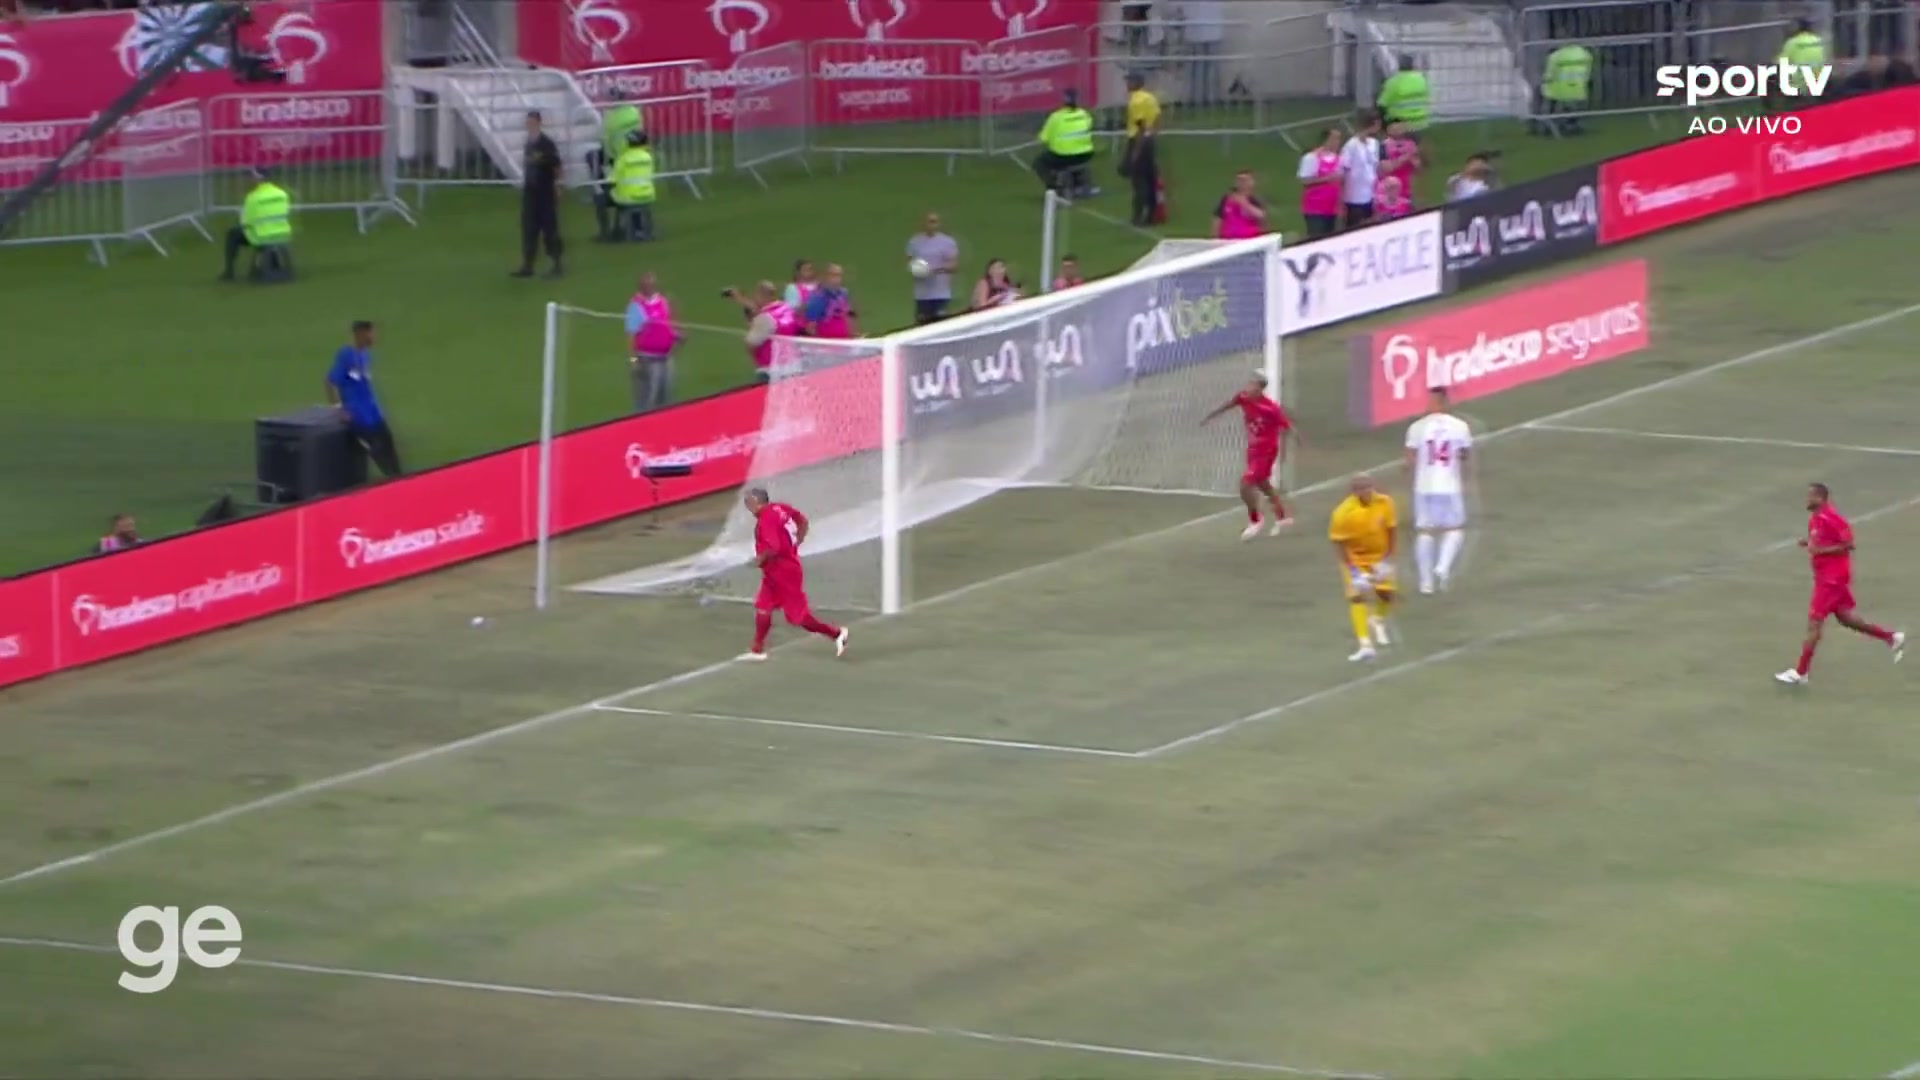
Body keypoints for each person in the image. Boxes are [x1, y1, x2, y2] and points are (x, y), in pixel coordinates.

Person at [1775, 483, 1904, 685]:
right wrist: (1808, 544)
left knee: (1814, 624)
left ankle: (1800, 672)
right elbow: (1821, 543)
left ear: (1820, 498)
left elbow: (1848, 544)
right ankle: (1891, 637)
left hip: (1831, 580)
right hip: (1826, 578)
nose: (1806, 500)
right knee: (1846, 618)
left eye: (1810, 496)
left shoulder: (1832, 518)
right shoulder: (1815, 519)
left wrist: (1821, 551)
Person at [738, 487, 850, 662]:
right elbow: (802, 521)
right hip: (774, 572)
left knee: (798, 618)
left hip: (784, 573)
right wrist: (797, 542)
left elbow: (774, 547)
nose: (747, 507)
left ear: (757, 502)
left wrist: (760, 559)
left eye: (749, 503)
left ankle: (836, 634)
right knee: (763, 607)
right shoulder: (780, 508)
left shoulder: (766, 519)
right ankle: (757, 650)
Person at [1202, 372, 1297, 540]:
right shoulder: (1243, 397)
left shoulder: (1270, 409)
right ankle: (1282, 517)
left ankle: (1255, 520)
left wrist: (1286, 451)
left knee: (1245, 485)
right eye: (1248, 384)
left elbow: (1286, 427)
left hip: (1266, 452)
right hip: (1253, 449)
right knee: (1263, 484)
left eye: (1252, 385)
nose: (1247, 387)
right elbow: (1230, 404)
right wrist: (1211, 415)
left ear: (1260, 388)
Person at [1403, 387, 1470, 594]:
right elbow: (1464, 455)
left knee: (1425, 531)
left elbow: (1410, 459)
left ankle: (1426, 583)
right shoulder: (1460, 426)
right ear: (1446, 402)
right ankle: (1442, 566)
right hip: (1449, 485)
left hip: (1424, 486)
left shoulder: (1416, 427)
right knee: (1455, 529)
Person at [1329, 475, 1397, 663]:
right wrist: (1353, 571)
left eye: (1369, 487)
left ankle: (1377, 619)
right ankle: (1365, 644)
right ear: (1354, 492)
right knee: (1357, 597)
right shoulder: (1343, 513)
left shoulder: (1385, 503)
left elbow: (1391, 530)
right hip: (1355, 559)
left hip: (1379, 557)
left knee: (1386, 595)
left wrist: (1388, 559)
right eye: (1362, 488)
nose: (1367, 491)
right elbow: (1339, 543)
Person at [326, 320, 401, 478]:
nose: (374, 337)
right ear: (360, 334)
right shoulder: (346, 356)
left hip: (373, 412)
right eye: (370, 333)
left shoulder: (366, 355)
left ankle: (400, 479)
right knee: (378, 452)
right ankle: (393, 481)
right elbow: (330, 382)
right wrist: (339, 409)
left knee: (389, 445)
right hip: (359, 416)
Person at [514, 111, 563, 278]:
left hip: (545, 191)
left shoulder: (547, 144)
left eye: (532, 122)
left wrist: (558, 186)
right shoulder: (528, 144)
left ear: (538, 123)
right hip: (530, 191)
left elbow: (557, 166)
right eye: (528, 122)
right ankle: (528, 265)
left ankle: (557, 263)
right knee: (529, 228)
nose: (529, 125)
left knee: (549, 228)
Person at [220, 166, 291, 281]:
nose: (250, 179)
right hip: (282, 234)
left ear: (258, 179)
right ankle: (273, 262)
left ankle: (229, 271)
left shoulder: (253, 197)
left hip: (261, 236)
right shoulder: (282, 194)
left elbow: (245, 221)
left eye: (251, 177)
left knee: (232, 234)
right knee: (266, 232)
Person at [624, 272, 679, 413]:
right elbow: (631, 335)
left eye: (652, 285)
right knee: (647, 403)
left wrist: (675, 335)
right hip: (647, 361)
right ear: (641, 287)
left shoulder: (662, 301)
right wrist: (633, 361)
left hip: (665, 359)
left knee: (665, 400)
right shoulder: (636, 306)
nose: (650, 287)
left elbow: (667, 324)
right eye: (647, 285)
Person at [727, 281, 798, 383]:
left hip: (771, 370)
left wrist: (755, 359)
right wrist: (740, 299)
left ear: (763, 296)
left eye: (756, 295)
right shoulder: (787, 308)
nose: (754, 299)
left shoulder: (765, 318)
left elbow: (751, 343)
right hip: (793, 365)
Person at [1033, 88, 1096, 197]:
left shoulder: (1056, 117)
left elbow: (1043, 138)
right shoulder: (1085, 114)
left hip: (1062, 156)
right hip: (1086, 154)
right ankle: (1078, 184)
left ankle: (1054, 187)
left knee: (1039, 163)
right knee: (1073, 158)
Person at [1121, 71, 1161, 227]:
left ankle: (1138, 216)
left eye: (1129, 81)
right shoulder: (1150, 98)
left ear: (1136, 82)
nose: (1127, 84)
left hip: (1139, 141)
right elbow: (1157, 118)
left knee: (1139, 181)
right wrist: (1152, 135)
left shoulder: (1135, 101)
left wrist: (1136, 151)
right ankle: (1152, 213)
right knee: (1150, 178)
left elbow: (1140, 127)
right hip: (1150, 140)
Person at [905, 212, 959, 324]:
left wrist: (935, 270)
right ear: (923, 223)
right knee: (922, 325)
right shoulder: (914, 242)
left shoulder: (947, 242)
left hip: (941, 294)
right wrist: (918, 270)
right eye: (929, 221)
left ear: (939, 224)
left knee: (941, 325)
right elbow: (909, 262)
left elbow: (954, 266)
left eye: (934, 222)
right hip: (922, 295)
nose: (931, 225)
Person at [606, 129, 657, 242]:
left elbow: (612, 179)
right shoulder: (648, 157)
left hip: (628, 197)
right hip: (648, 195)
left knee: (607, 197)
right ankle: (640, 230)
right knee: (634, 200)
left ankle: (611, 232)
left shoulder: (623, 158)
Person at [1535, 41, 1592, 136]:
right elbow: (1587, 74)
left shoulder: (1555, 57)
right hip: (1578, 90)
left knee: (1543, 97)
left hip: (1558, 91)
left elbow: (1548, 76)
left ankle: (1548, 127)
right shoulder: (1585, 54)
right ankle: (1569, 125)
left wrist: (1543, 81)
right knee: (1569, 106)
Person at [1296, 127, 1344, 238]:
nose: (1338, 142)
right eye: (1335, 139)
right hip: (1315, 209)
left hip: (1332, 208)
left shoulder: (1338, 159)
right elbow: (1305, 180)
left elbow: (1340, 183)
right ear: (1327, 140)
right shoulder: (1312, 157)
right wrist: (1327, 179)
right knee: (1317, 238)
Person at [1340, 109, 1383, 229]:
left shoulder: (1374, 143)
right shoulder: (1351, 145)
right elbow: (1343, 169)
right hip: (1354, 197)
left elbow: (1375, 165)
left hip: (1371, 194)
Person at [1777, 18, 1828, 108]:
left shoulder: (1792, 43)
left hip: (1798, 83)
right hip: (1819, 80)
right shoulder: (1818, 41)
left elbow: (1781, 62)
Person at [802, 263, 859, 338]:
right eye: (833, 275)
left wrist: (853, 334)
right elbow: (810, 326)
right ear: (826, 276)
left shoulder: (843, 293)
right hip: (825, 341)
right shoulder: (819, 296)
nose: (836, 279)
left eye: (839, 275)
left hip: (843, 341)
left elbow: (848, 316)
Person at [1375, 56, 1430, 130]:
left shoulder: (1394, 82)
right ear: (1412, 65)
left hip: (1401, 122)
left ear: (1399, 66)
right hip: (1421, 121)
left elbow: (1382, 103)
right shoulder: (1422, 79)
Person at [1214, 169, 1267, 239]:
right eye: (1239, 180)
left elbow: (1261, 217)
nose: (1242, 183)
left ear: (1251, 182)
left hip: (1249, 240)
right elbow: (1218, 219)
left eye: (1245, 180)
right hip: (1228, 239)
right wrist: (1216, 238)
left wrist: (1244, 204)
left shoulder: (1254, 200)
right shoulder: (1226, 199)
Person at [1380, 119, 1421, 202]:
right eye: (1395, 128)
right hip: (1388, 190)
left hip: (1407, 189)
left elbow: (1418, 170)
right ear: (1388, 130)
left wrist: (1414, 160)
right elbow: (1386, 168)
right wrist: (1406, 157)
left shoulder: (1411, 144)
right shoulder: (1383, 146)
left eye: (1400, 127)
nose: (1398, 130)